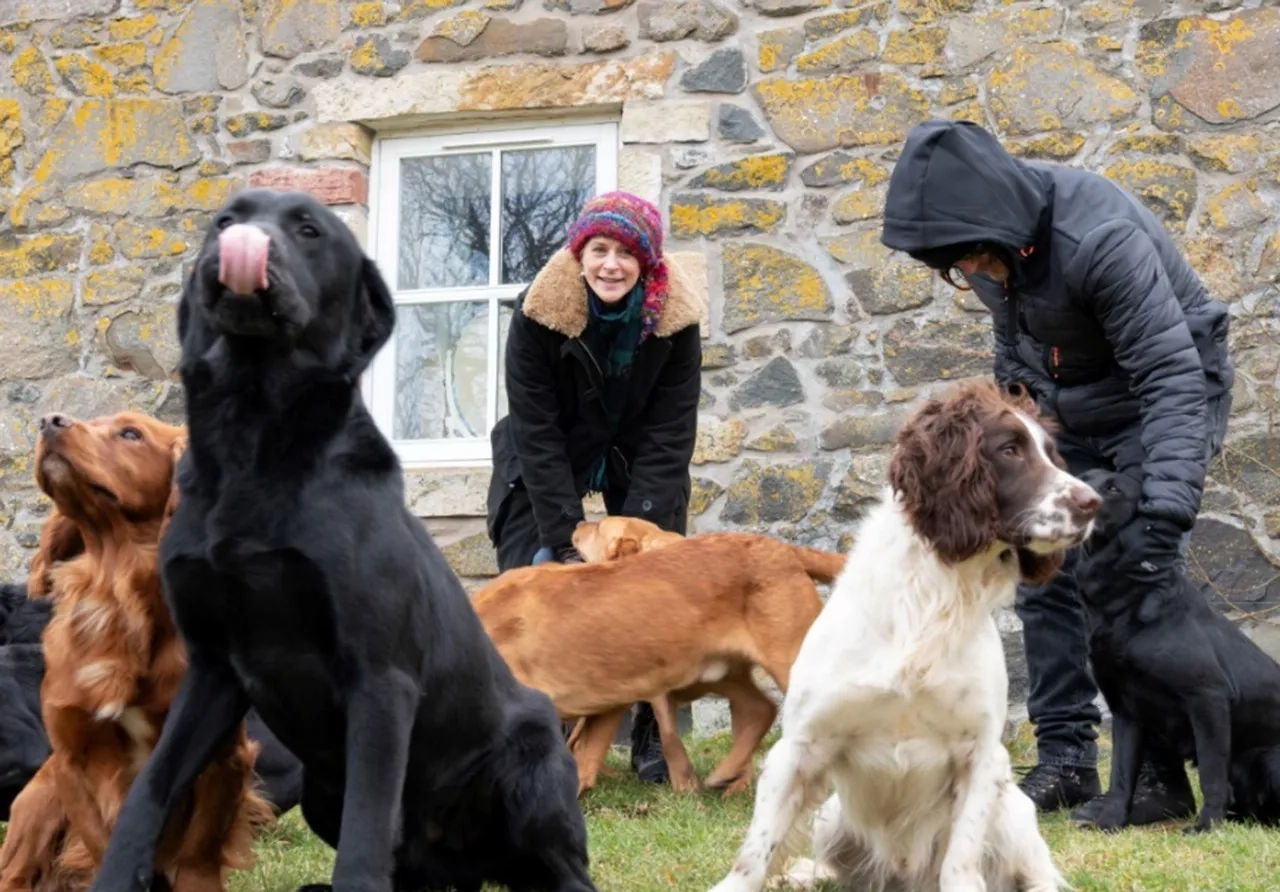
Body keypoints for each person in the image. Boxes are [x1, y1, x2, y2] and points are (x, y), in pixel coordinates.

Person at [879, 119, 1234, 825]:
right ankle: (1068, 759)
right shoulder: (991, 247)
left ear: (1000, 232)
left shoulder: (1099, 240)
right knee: (1041, 572)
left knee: (1136, 584)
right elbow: (1015, 353)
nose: (972, 275)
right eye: (959, 267)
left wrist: (1162, 513)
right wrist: (1030, 437)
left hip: (1160, 397)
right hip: (1071, 408)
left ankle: (1161, 781)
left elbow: (1170, 377)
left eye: (975, 260)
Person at [486, 190, 704, 785]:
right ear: (580, 254)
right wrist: (564, 537)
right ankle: (534, 732)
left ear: (647, 262)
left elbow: (669, 432)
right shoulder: (538, 315)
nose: (611, 264)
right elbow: (536, 429)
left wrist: (638, 540)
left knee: (659, 590)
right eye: (599, 249)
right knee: (534, 578)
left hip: (641, 456)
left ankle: (653, 736)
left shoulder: (676, 324)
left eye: (626, 253)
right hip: (544, 455)